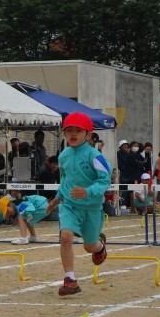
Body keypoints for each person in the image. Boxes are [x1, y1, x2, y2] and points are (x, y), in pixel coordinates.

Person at [46, 112, 112, 297]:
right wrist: (56, 199)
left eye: (78, 130)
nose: (73, 134)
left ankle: (99, 246)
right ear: (64, 133)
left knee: (89, 246)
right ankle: (70, 280)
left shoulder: (95, 156)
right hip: (70, 205)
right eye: (69, 131)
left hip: (92, 208)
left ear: (88, 134)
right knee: (65, 236)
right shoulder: (63, 156)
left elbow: (105, 180)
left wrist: (88, 191)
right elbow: (66, 181)